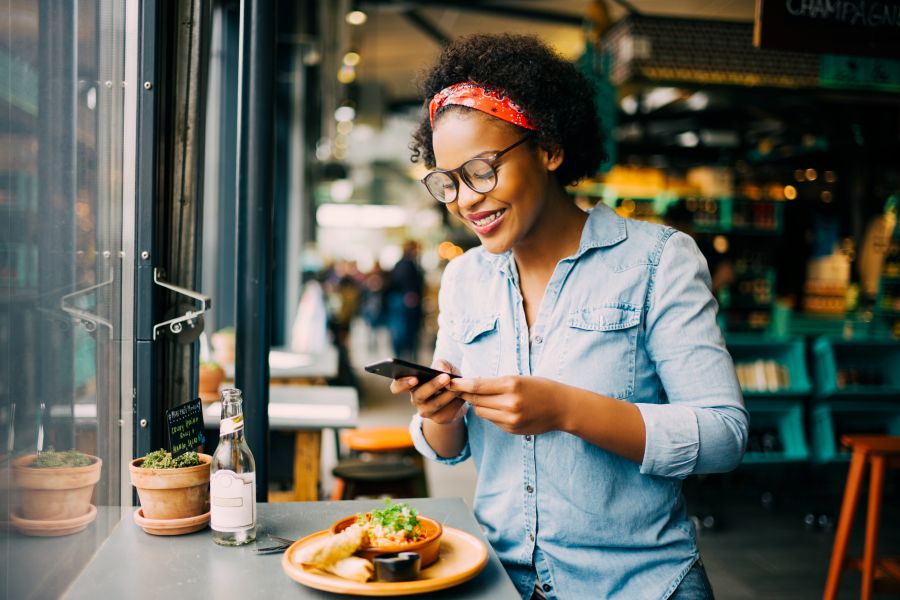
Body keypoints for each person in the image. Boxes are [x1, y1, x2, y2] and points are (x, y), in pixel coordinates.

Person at [389, 34, 748, 600]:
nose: (466, 199)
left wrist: (565, 409)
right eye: (448, 182)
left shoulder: (656, 261)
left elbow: (724, 436)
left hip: (638, 586)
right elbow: (447, 445)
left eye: (482, 170)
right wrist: (439, 411)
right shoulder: (466, 279)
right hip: (502, 582)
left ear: (550, 149)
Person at [384, 240, 425, 362]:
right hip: (404, 303)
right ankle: (404, 358)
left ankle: (402, 357)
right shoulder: (408, 265)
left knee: (401, 332)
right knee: (404, 332)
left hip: (400, 302)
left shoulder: (400, 264)